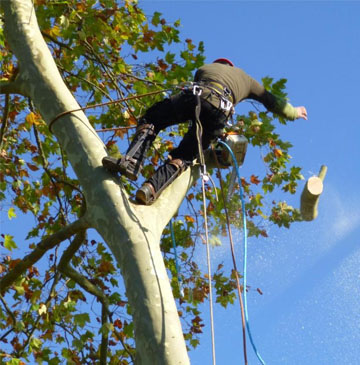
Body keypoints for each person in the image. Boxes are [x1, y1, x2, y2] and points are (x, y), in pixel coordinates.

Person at [102, 58, 308, 205]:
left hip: (195, 96)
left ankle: (130, 162)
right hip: (221, 112)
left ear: (218, 64)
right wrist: (294, 112)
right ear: (231, 66)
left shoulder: (204, 68)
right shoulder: (246, 79)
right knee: (185, 155)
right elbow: (271, 101)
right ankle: (150, 190)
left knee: (152, 119)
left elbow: (195, 109)